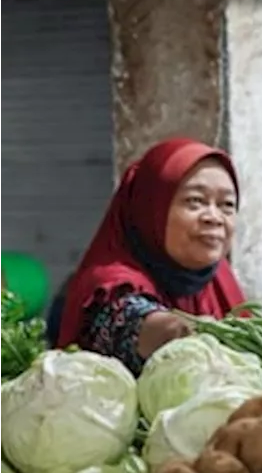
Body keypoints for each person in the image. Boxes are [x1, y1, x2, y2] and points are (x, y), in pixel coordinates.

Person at [56, 137, 245, 374]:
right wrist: (189, 331)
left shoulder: (219, 277)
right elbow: (134, 323)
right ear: (151, 208)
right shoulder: (109, 286)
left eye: (227, 205)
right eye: (195, 201)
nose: (214, 218)